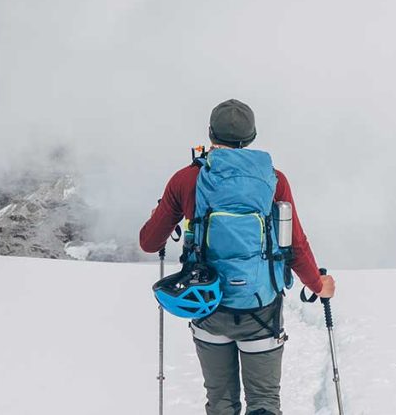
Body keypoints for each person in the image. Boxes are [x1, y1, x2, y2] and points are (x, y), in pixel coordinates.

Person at [139, 99, 335, 415]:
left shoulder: (186, 180)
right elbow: (294, 244)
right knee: (264, 403)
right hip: (261, 308)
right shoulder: (274, 179)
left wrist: (163, 216)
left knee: (220, 404)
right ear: (251, 137)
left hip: (208, 305)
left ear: (210, 133)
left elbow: (149, 242)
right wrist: (317, 284)